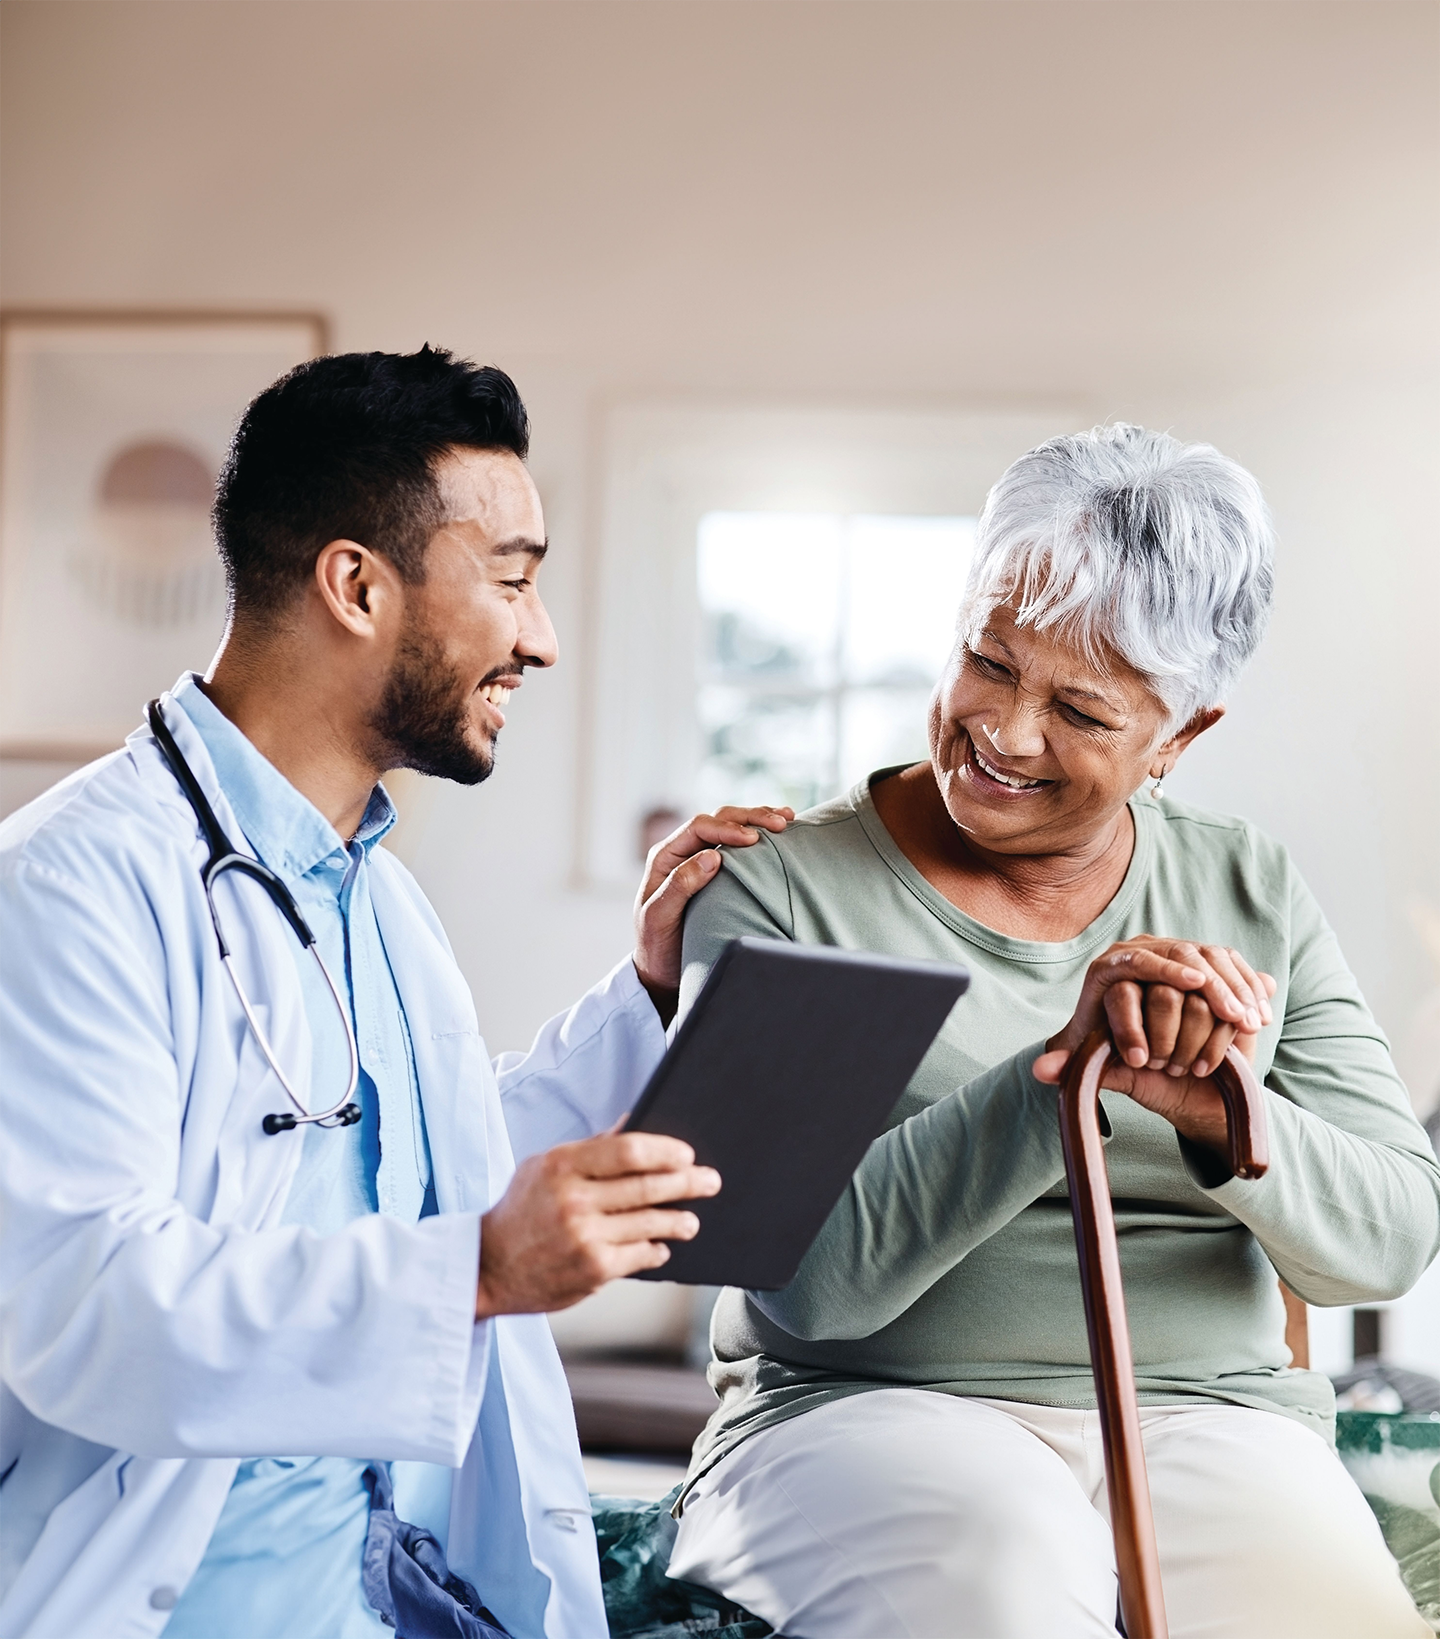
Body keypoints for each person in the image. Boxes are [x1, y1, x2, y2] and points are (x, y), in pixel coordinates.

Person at [0, 347, 790, 1639]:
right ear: (357, 585)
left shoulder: (372, 886)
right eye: (514, 579)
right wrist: (477, 1270)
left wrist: (650, 985)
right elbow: (83, 1302)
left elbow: (434, 1165)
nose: (538, 638)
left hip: (405, 1584)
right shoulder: (70, 887)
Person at [667, 424, 1439, 1639]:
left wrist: (1218, 1107)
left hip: (1215, 1415)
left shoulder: (1249, 891)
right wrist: (1062, 1078)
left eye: (1080, 708)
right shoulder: (788, 889)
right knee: (1002, 1590)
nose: (1005, 733)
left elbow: (1388, 1239)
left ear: (1181, 737)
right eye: (988, 660)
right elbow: (804, 1287)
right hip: (861, 1411)